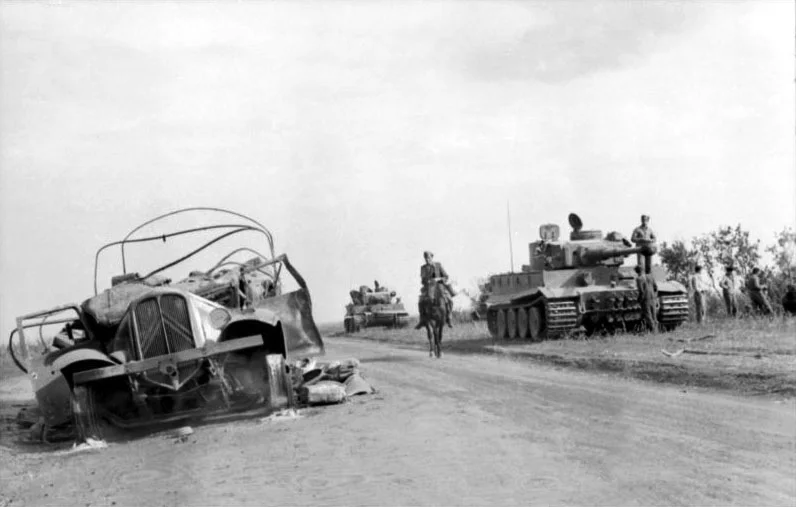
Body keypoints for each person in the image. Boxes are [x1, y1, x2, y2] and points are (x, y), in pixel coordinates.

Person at [415, 251, 456, 329]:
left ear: (431, 257)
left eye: (428, 258)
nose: (427, 259)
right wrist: (427, 281)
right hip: (428, 288)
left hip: (439, 286)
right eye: (425, 258)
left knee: (450, 300)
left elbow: (446, 276)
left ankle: (449, 318)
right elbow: (422, 280)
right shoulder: (423, 268)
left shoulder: (438, 265)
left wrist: (439, 279)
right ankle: (422, 320)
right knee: (421, 301)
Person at [635, 265, 658, 333]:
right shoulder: (650, 276)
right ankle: (656, 329)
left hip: (645, 300)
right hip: (653, 298)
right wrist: (654, 296)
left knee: (648, 316)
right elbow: (656, 287)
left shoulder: (639, 279)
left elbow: (641, 291)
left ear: (636, 272)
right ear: (643, 270)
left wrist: (639, 300)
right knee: (654, 315)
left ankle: (654, 331)